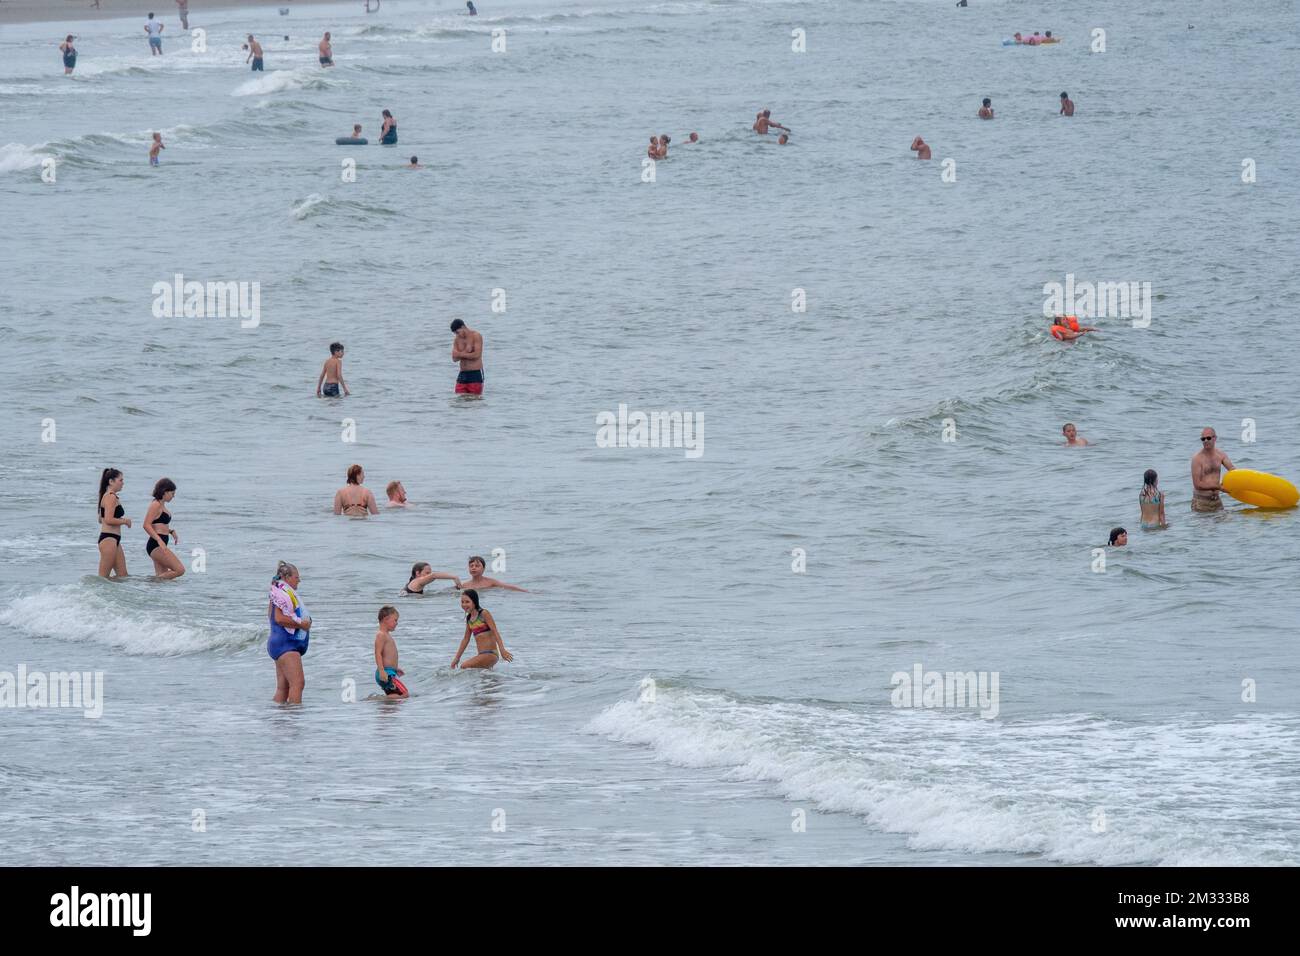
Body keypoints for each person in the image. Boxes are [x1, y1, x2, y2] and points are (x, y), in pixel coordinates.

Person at [268, 561, 311, 704]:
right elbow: (279, 618)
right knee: (298, 684)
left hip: (278, 643)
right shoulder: (281, 593)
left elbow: (271, 616)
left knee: (283, 688)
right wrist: (301, 624)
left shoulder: (277, 592)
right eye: (296, 577)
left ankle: (279, 719)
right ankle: (294, 720)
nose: (299, 580)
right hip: (286, 644)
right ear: (287, 577)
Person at [451, 590, 513, 670]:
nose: (464, 604)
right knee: (485, 680)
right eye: (462, 602)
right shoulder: (469, 618)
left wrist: (502, 650)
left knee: (464, 666)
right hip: (481, 654)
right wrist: (457, 658)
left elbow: (495, 632)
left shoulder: (484, 613)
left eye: (467, 602)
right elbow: (466, 639)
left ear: (474, 601)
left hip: (491, 654)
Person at [143, 478, 185, 579]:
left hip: (160, 543)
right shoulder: (155, 504)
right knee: (180, 570)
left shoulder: (161, 505)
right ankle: (148, 583)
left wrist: (171, 531)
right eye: (172, 493)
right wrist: (159, 540)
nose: (173, 496)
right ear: (165, 491)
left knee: (162, 579)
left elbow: (158, 524)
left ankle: (150, 590)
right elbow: (146, 525)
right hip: (156, 544)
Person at [97, 468, 130, 578]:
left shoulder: (108, 496)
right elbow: (108, 520)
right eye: (120, 480)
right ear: (111, 481)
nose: (123, 483)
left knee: (122, 576)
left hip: (114, 539)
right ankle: (90, 595)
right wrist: (124, 521)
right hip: (108, 539)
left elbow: (100, 519)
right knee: (103, 578)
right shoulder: (110, 496)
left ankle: (110, 595)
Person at [1191, 428, 1234, 512]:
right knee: (1203, 525)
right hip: (1201, 502)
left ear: (1215, 438)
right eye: (1203, 439)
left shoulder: (1220, 455)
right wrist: (1218, 486)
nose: (1206, 441)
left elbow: (1232, 469)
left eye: (1208, 438)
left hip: (1217, 501)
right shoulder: (1197, 459)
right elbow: (1197, 484)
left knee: (1227, 521)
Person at [374, 606, 408, 697]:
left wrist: (395, 668)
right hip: (386, 673)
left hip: (390, 672)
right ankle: (375, 699)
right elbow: (378, 653)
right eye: (395, 620)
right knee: (404, 694)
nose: (397, 623)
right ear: (386, 619)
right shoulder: (381, 635)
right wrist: (382, 671)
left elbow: (388, 655)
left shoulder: (386, 635)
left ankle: (384, 707)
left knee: (396, 696)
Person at [458, 555, 528, 593]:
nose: (474, 568)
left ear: (484, 568)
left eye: (477, 566)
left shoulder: (491, 582)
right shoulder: (465, 585)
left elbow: (507, 587)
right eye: (471, 566)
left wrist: (525, 591)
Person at [450, 318, 484, 395]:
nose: (457, 335)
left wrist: (460, 354)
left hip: (475, 374)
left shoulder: (476, 336)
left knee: (474, 402)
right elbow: (454, 358)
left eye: (458, 332)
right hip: (462, 374)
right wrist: (466, 352)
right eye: (455, 333)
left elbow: (476, 355)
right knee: (459, 401)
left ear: (463, 327)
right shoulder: (457, 339)